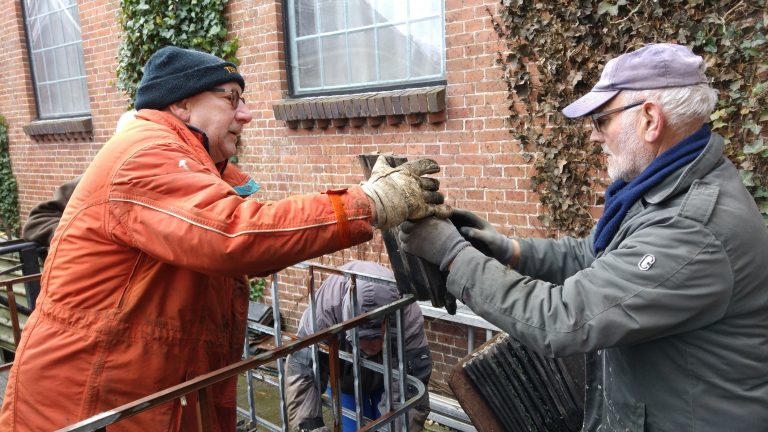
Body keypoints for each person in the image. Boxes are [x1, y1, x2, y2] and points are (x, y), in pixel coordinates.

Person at [0, 46, 449, 431]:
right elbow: (235, 234)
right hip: (94, 401)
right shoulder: (146, 155)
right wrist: (367, 203)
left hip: (144, 394)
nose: (246, 114)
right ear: (181, 105)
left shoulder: (187, 164)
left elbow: (250, 245)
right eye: (231, 99)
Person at [399, 43, 768, 431]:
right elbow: (597, 257)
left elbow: (562, 319)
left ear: (649, 119)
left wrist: (453, 255)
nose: (593, 137)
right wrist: (510, 250)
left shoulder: (692, 227)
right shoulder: (667, 190)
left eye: (601, 120)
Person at [285, 260, 431, 432]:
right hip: (346, 377)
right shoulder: (325, 311)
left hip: (388, 379)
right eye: (363, 338)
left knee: (390, 424)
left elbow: (411, 383)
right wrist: (309, 425)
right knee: (352, 426)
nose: (372, 347)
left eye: (378, 337)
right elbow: (303, 369)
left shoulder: (407, 315)